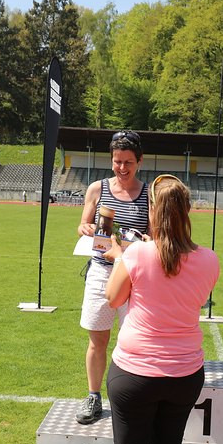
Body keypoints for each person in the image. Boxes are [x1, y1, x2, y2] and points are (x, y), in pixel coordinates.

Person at [101, 174, 219, 444]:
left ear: (152, 212)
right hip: (184, 373)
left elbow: (113, 298)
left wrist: (121, 256)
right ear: (187, 212)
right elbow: (185, 287)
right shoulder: (209, 259)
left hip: (135, 372)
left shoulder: (135, 254)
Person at [74, 130, 150, 425]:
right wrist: (85, 228)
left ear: (139, 161)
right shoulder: (97, 189)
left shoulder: (147, 195)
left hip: (135, 276)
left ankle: (133, 399)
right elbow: (83, 222)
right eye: (117, 161)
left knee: (134, 341)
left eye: (128, 162)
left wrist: (140, 241)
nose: (122, 168)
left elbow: (154, 237)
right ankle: (93, 396)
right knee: (97, 339)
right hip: (101, 272)